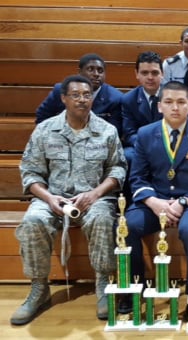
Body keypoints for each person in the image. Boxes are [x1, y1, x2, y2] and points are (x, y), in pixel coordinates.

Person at [10, 75, 127, 325]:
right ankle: (39, 288)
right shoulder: (45, 130)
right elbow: (30, 173)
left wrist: (95, 193)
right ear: (63, 98)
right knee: (32, 221)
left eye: (87, 95)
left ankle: (103, 284)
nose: (82, 100)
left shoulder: (107, 131)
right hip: (52, 198)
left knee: (104, 219)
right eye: (76, 95)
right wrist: (49, 198)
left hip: (92, 198)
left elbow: (117, 170)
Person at [120, 81, 188, 318]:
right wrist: (154, 202)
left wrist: (183, 202)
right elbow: (137, 178)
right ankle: (133, 290)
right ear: (160, 106)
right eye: (168, 102)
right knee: (127, 227)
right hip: (154, 201)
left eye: (181, 102)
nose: (175, 107)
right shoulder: (145, 134)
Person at [36, 53, 124, 136]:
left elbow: (114, 131)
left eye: (100, 71)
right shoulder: (61, 90)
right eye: (90, 69)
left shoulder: (115, 98)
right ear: (80, 72)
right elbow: (42, 116)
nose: (96, 74)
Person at [121, 51, 164, 201]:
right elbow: (129, 133)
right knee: (127, 156)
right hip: (140, 145)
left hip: (169, 144)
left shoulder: (171, 96)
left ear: (162, 74)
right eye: (145, 73)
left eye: (154, 72)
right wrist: (147, 144)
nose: (150, 77)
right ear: (137, 74)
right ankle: (129, 200)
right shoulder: (128, 99)